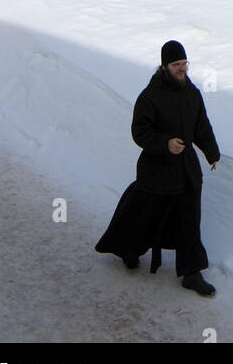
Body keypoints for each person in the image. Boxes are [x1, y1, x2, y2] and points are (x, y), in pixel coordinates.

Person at [95, 41, 221, 296]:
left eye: (185, 64)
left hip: (186, 171)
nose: (182, 69)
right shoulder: (150, 96)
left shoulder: (191, 92)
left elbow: (200, 125)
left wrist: (211, 152)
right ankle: (128, 250)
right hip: (157, 172)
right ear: (164, 66)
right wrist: (165, 144)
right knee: (145, 216)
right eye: (176, 65)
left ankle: (192, 273)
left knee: (189, 220)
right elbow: (139, 132)